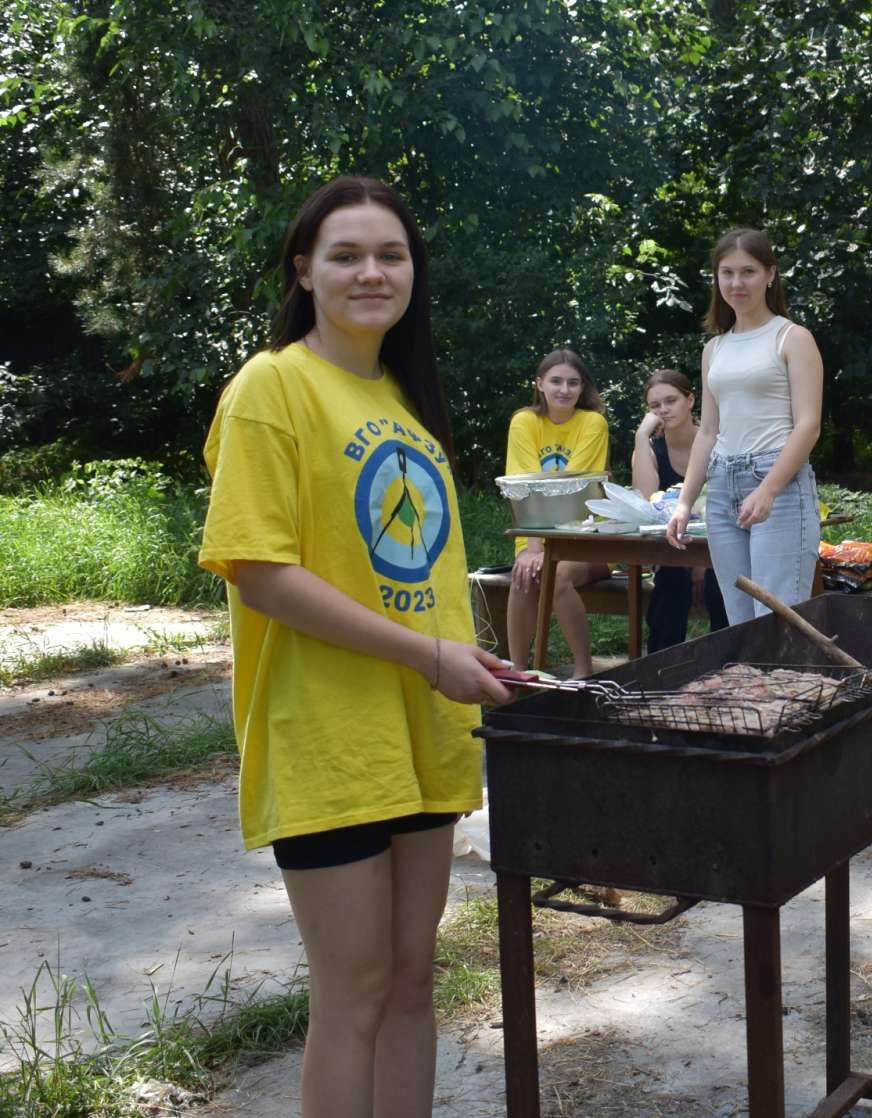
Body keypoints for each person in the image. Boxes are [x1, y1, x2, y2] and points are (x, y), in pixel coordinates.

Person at [198, 175, 510, 1118]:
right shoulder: (273, 386)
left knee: (414, 982)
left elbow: (424, 583)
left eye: (391, 254)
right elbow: (259, 569)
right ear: (304, 269)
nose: (371, 271)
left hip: (424, 730)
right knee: (354, 993)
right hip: (328, 736)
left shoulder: (410, 409)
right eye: (346, 254)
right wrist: (426, 657)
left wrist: (467, 657)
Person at [665, 228, 824, 623]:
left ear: (770, 274)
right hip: (721, 487)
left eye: (748, 272)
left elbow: (808, 426)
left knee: (776, 618)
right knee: (740, 622)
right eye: (727, 273)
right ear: (716, 278)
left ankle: (787, 688)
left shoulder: (792, 337)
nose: (737, 283)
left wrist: (768, 490)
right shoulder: (715, 348)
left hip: (778, 486)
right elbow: (708, 432)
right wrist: (684, 502)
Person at [504, 348, 612, 676]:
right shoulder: (524, 421)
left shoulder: (593, 423)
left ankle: (583, 673)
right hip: (537, 537)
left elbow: (572, 490)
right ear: (539, 384)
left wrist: (544, 551)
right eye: (556, 381)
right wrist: (533, 549)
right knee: (524, 576)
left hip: (586, 539)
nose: (564, 390)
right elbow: (522, 487)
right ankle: (518, 675)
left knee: (557, 574)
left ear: (582, 388)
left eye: (573, 382)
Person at [631, 368, 728, 650]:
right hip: (671, 550)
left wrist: (699, 564)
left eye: (671, 401)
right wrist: (640, 436)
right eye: (655, 405)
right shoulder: (650, 449)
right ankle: (661, 669)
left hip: (719, 546)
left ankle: (729, 662)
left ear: (690, 400)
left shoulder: (716, 443)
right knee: (671, 580)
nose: (663, 410)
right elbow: (645, 500)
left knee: (718, 580)